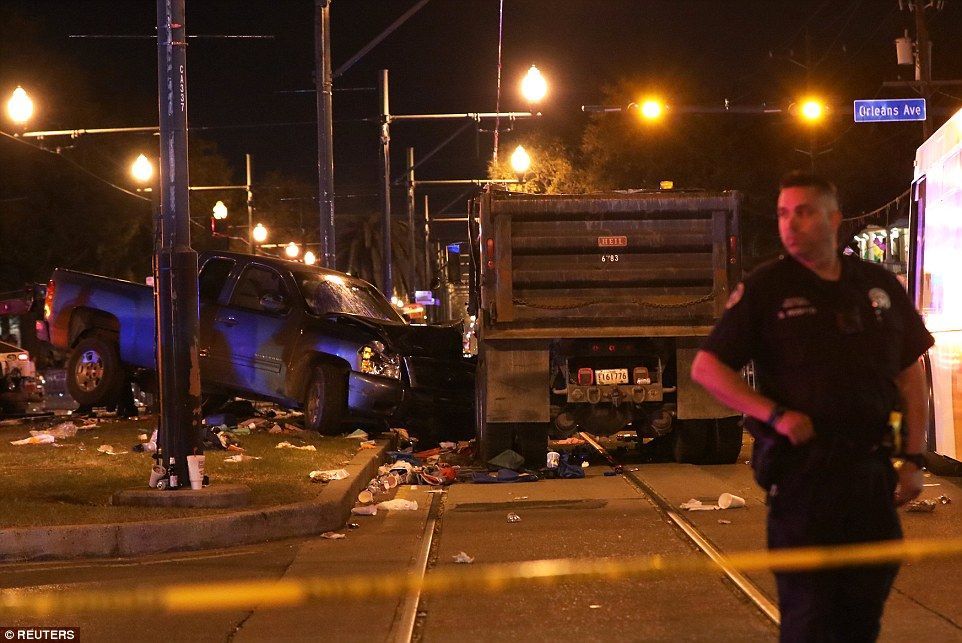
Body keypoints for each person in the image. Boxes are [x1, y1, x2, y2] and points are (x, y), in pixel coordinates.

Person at [691, 171, 933, 642]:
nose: (790, 223)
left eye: (802, 212)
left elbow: (910, 372)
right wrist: (774, 415)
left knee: (863, 615)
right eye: (783, 213)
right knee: (810, 619)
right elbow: (708, 368)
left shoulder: (875, 284)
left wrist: (913, 458)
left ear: (834, 218)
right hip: (804, 479)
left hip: (871, 475)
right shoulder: (768, 288)